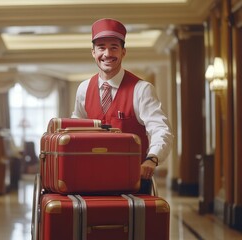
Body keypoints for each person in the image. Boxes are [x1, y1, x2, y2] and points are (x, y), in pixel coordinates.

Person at [71, 18, 173, 193]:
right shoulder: (83, 88)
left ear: (123, 52)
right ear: (93, 52)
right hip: (91, 177)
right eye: (101, 47)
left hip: (132, 180)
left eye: (114, 47)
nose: (107, 53)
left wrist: (152, 159)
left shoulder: (142, 89)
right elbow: (76, 127)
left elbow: (161, 129)